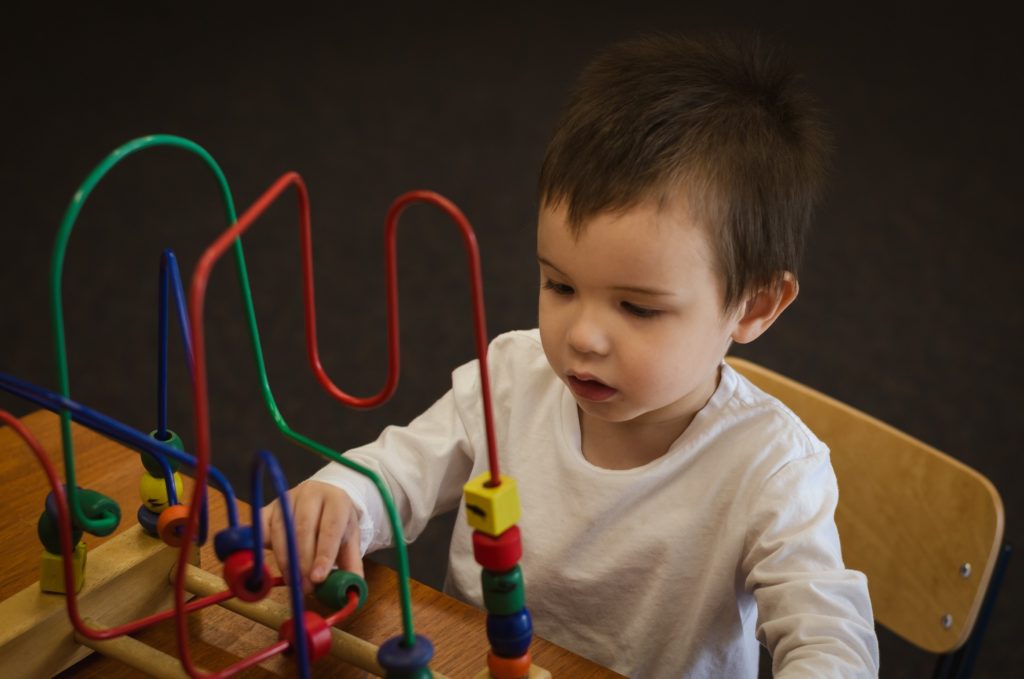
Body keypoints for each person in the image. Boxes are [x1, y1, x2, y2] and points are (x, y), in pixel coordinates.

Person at [263, 32, 880, 677]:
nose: (582, 336)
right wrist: (343, 498)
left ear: (753, 307)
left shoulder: (773, 470)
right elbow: (398, 472)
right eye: (559, 285)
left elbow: (830, 636)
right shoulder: (511, 379)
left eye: (637, 308)